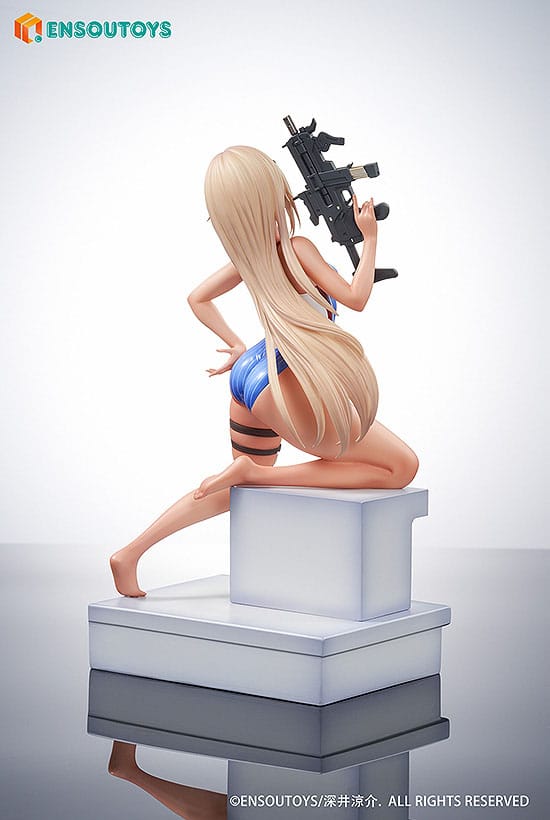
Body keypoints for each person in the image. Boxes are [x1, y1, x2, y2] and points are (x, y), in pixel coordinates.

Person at [110, 146, 418, 598]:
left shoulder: (250, 260)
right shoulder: (297, 248)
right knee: (400, 466)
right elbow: (356, 298)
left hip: (252, 375)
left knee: (230, 488)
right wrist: (370, 238)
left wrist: (237, 346)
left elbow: (197, 298)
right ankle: (257, 475)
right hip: (290, 381)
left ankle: (130, 554)